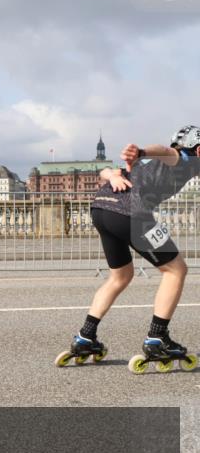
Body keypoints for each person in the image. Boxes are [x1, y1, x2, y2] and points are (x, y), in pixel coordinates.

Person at [58, 125, 200, 373]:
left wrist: (113, 176)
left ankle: (85, 337)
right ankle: (157, 338)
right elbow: (167, 151)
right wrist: (144, 150)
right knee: (176, 270)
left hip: (101, 208)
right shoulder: (189, 159)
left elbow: (105, 171)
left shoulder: (146, 164)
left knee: (120, 276)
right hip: (132, 213)